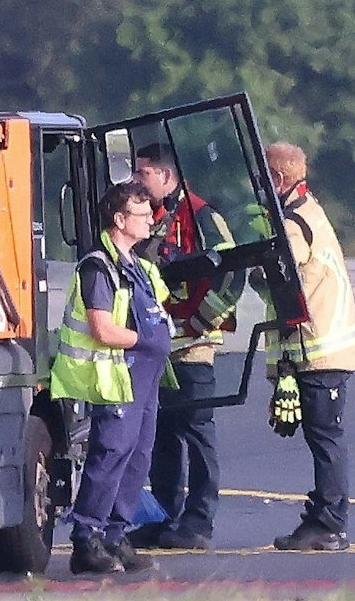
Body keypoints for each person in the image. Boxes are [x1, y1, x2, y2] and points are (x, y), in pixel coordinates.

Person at [50, 180, 173, 574]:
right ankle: (87, 539)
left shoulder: (141, 267)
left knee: (138, 457)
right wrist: (145, 340)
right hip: (117, 376)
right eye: (142, 214)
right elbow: (102, 329)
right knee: (110, 454)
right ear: (120, 219)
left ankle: (116, 537)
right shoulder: (98, 267)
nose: (151, 222)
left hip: (146, 378)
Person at [126, 144, 241, 550]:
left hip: (193, 348)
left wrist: (200, 320)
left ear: (166, 175)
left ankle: (198, 521)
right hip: (158, 349)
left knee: (197, 434)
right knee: (161, 436)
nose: (137, 180)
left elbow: (232, 275)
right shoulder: (147, 219)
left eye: (144, 174)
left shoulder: (203, 216)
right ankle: (163, 516)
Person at [261, 144, 355, 553]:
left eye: (263, 176)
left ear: (278, 179)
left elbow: (280, 279)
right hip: (323, 349)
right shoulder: (309, 210)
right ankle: (326, 515)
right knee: (324, 437)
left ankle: (329, 521)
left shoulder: (293, 223)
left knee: (326, 438)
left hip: (320, 351)